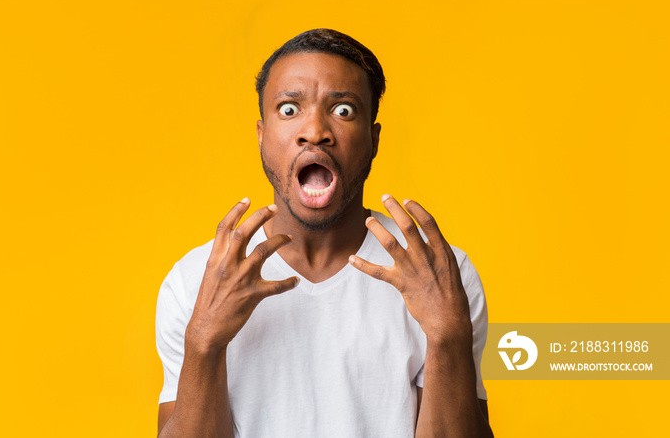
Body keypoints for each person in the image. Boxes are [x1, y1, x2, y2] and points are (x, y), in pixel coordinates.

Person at [155, 28, 493, 437]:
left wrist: (448, 334)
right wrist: (204, 341)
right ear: (261, 137)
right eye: (288, 109)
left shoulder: (439, 274)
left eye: (344, 110)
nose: (315, 130)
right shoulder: (194, 282)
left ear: (373, 139)